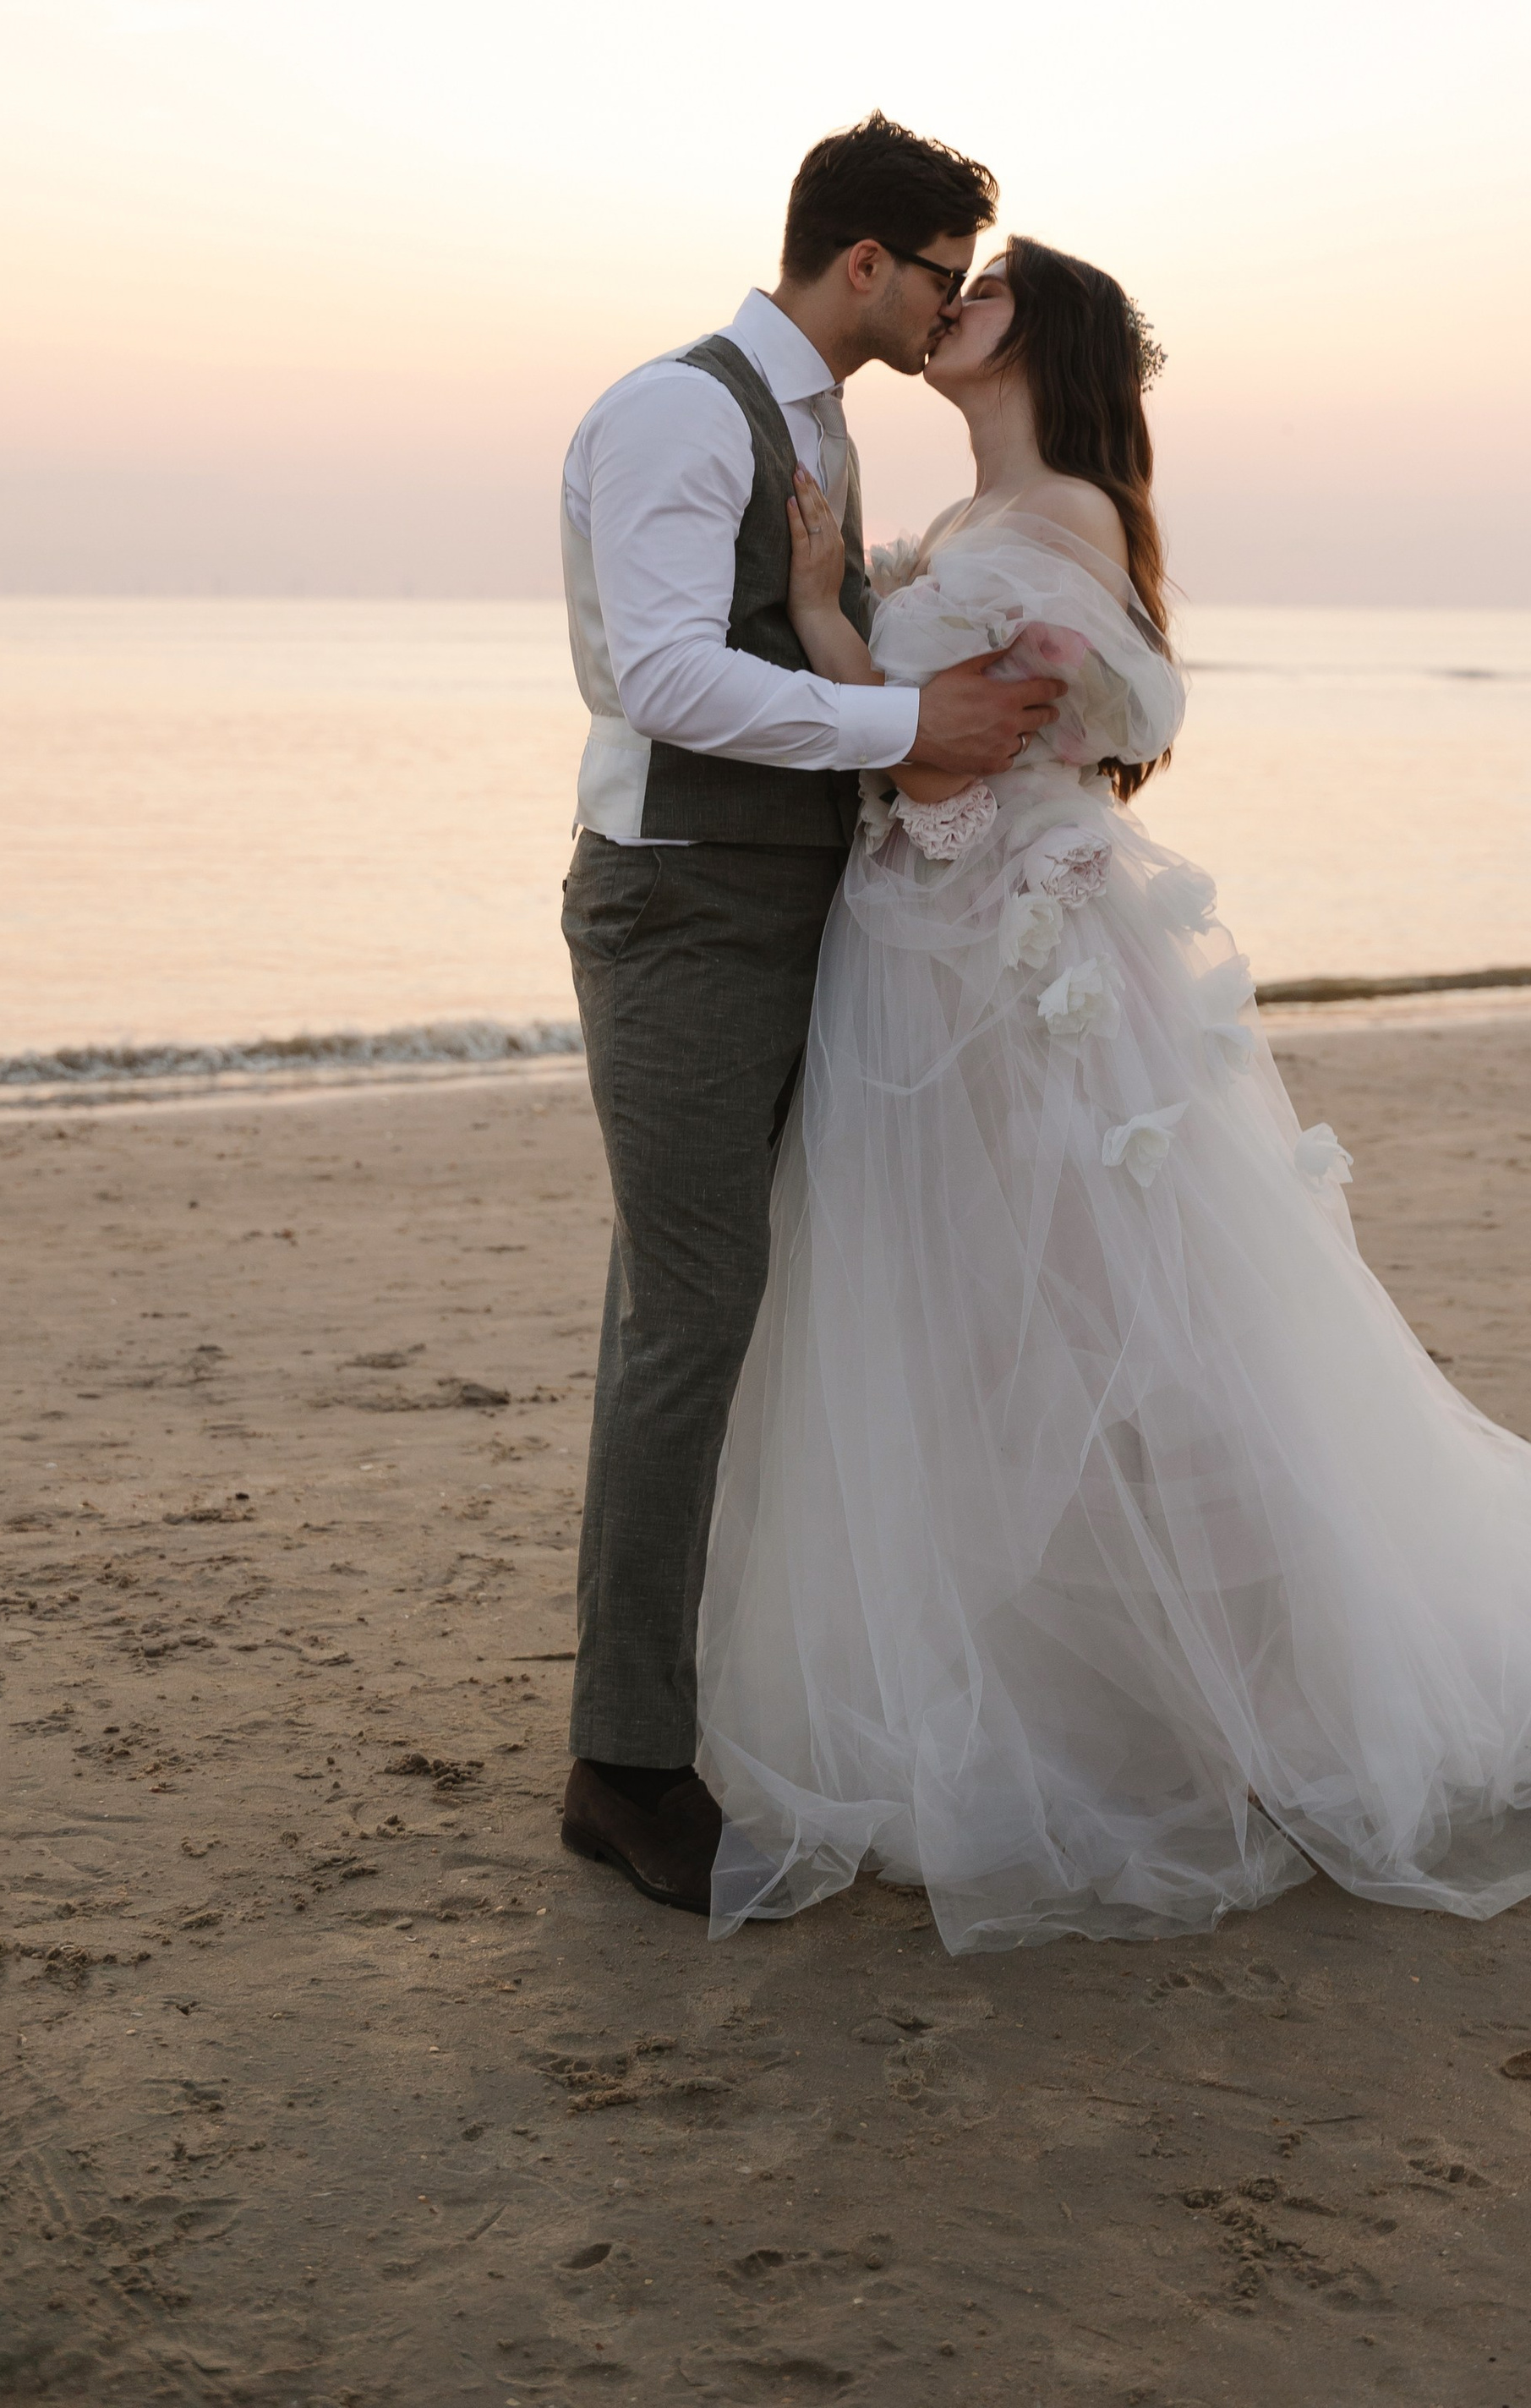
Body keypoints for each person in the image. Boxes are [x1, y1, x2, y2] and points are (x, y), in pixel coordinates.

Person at [692, 234, 1531, 1952]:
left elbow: (949, 740)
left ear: (1034, 340)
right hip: (939, 961)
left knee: (1129, 1338)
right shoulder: (989, 526)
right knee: (991, 1338)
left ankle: (1258, 1703)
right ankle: (1096, 1688)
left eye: (986, 290)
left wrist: (836, 617)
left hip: (1025, 975)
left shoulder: (1052, 516)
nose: (956, 302)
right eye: (952, 280)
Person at [555, 118, 1067, 1915]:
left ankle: (706, 1705)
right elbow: (655, 670)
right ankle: (623, 1763)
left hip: (806, 906)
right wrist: (901, 732)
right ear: (865, 262)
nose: (944, 316)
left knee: (740, 1304)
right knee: (690, 1314)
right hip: (683, 905)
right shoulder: (678, 412)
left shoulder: (822, 425)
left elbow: (813, 638)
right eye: (937, 275)